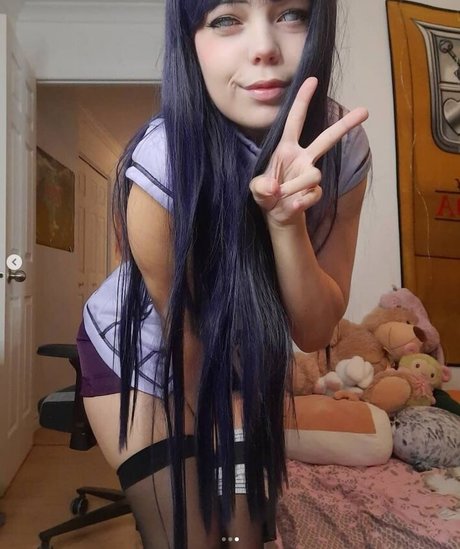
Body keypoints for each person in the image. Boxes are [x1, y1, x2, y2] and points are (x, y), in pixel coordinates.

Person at [76, 0, 371, 547]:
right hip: (148, 354)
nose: (264, 48)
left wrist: (285, 222)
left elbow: (313, 330)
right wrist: (213, 458)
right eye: (225, 19)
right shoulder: (161, 164)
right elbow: (187, 348)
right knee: (195, 534)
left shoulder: (341, 143)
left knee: (247, 535)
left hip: (242, 350)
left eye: (291, 13)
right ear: (190, 43)